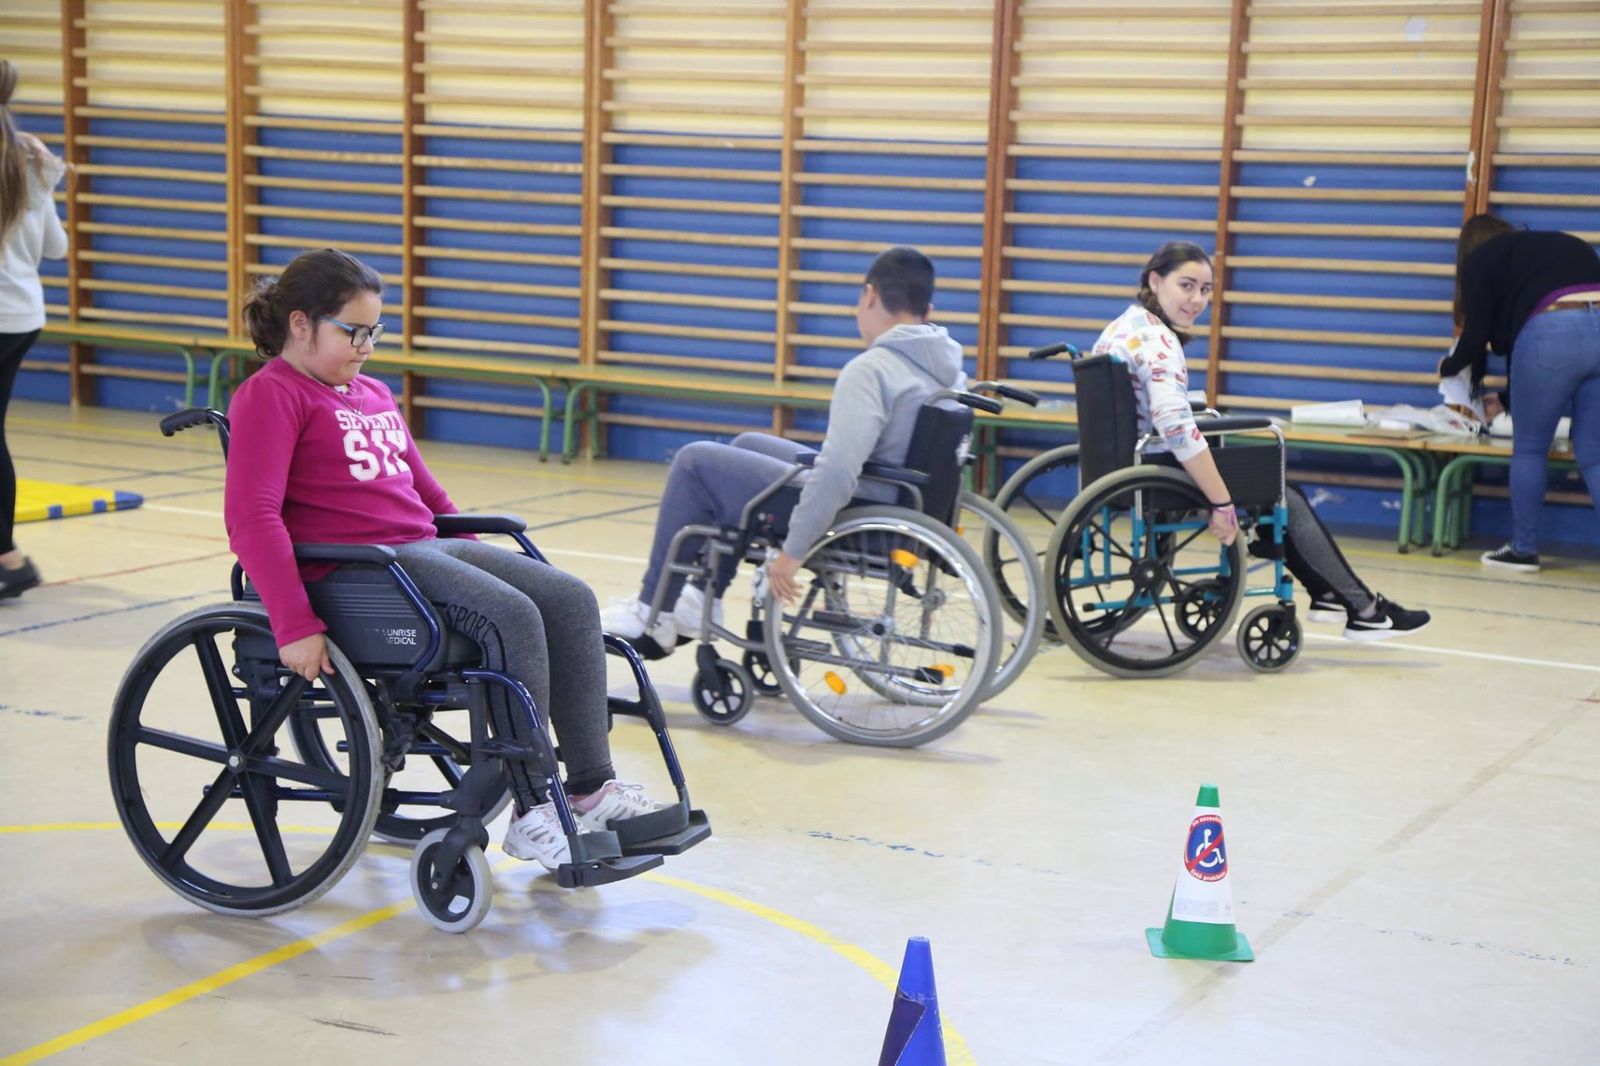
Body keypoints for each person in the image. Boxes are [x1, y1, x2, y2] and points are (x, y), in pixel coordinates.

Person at [225, 248, 659, 869]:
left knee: (568, 598)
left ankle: (589, 787)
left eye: (374, 330)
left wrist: (479, 563)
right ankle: (533, 809)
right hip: (361, 569)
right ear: (300, 324)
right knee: (510, 615)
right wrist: (294, 624)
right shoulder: (271, 396)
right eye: (353, 331)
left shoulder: (371, 391)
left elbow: (425, 494)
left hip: (421, 550)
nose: (367, 345)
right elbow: (252, 518)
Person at [601, 245, 965, 649]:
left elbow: (838, 472)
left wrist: (793, 551)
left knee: (695, 462)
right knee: (747, 445)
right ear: (926, 311)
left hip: (856, 511)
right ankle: (701, 596)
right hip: (901, 504)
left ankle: (653, 611)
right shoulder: (947, 371)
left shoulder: (873, 370)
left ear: (870, 296)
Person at [1093, 241, 1430, 642]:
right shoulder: (1160, 344)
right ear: (1155, 280)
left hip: (1127, 462)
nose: (1197, 299)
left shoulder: (1124, 327)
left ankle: (1326, 593)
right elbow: (1175, 428)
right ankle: (1365, 609)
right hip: (1159, 468)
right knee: (1286, 492)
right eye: (1186, 285)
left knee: (1274, 484)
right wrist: (1221, 503)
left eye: (1205, 290)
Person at [1440, 215, 1600, 573]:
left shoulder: (1480, 261)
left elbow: (1480, 333)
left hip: (1551, 330)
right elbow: (1520, 341)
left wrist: (1448, 368)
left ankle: (1524, 550)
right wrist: (1510, 400)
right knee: (1595, 455)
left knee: (1529, 448)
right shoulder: (1551, 247)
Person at [0, 59, 69, 600]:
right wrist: (46, 187)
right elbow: (56, 248)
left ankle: (9, 557)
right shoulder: (26, 155)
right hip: (24, 314)